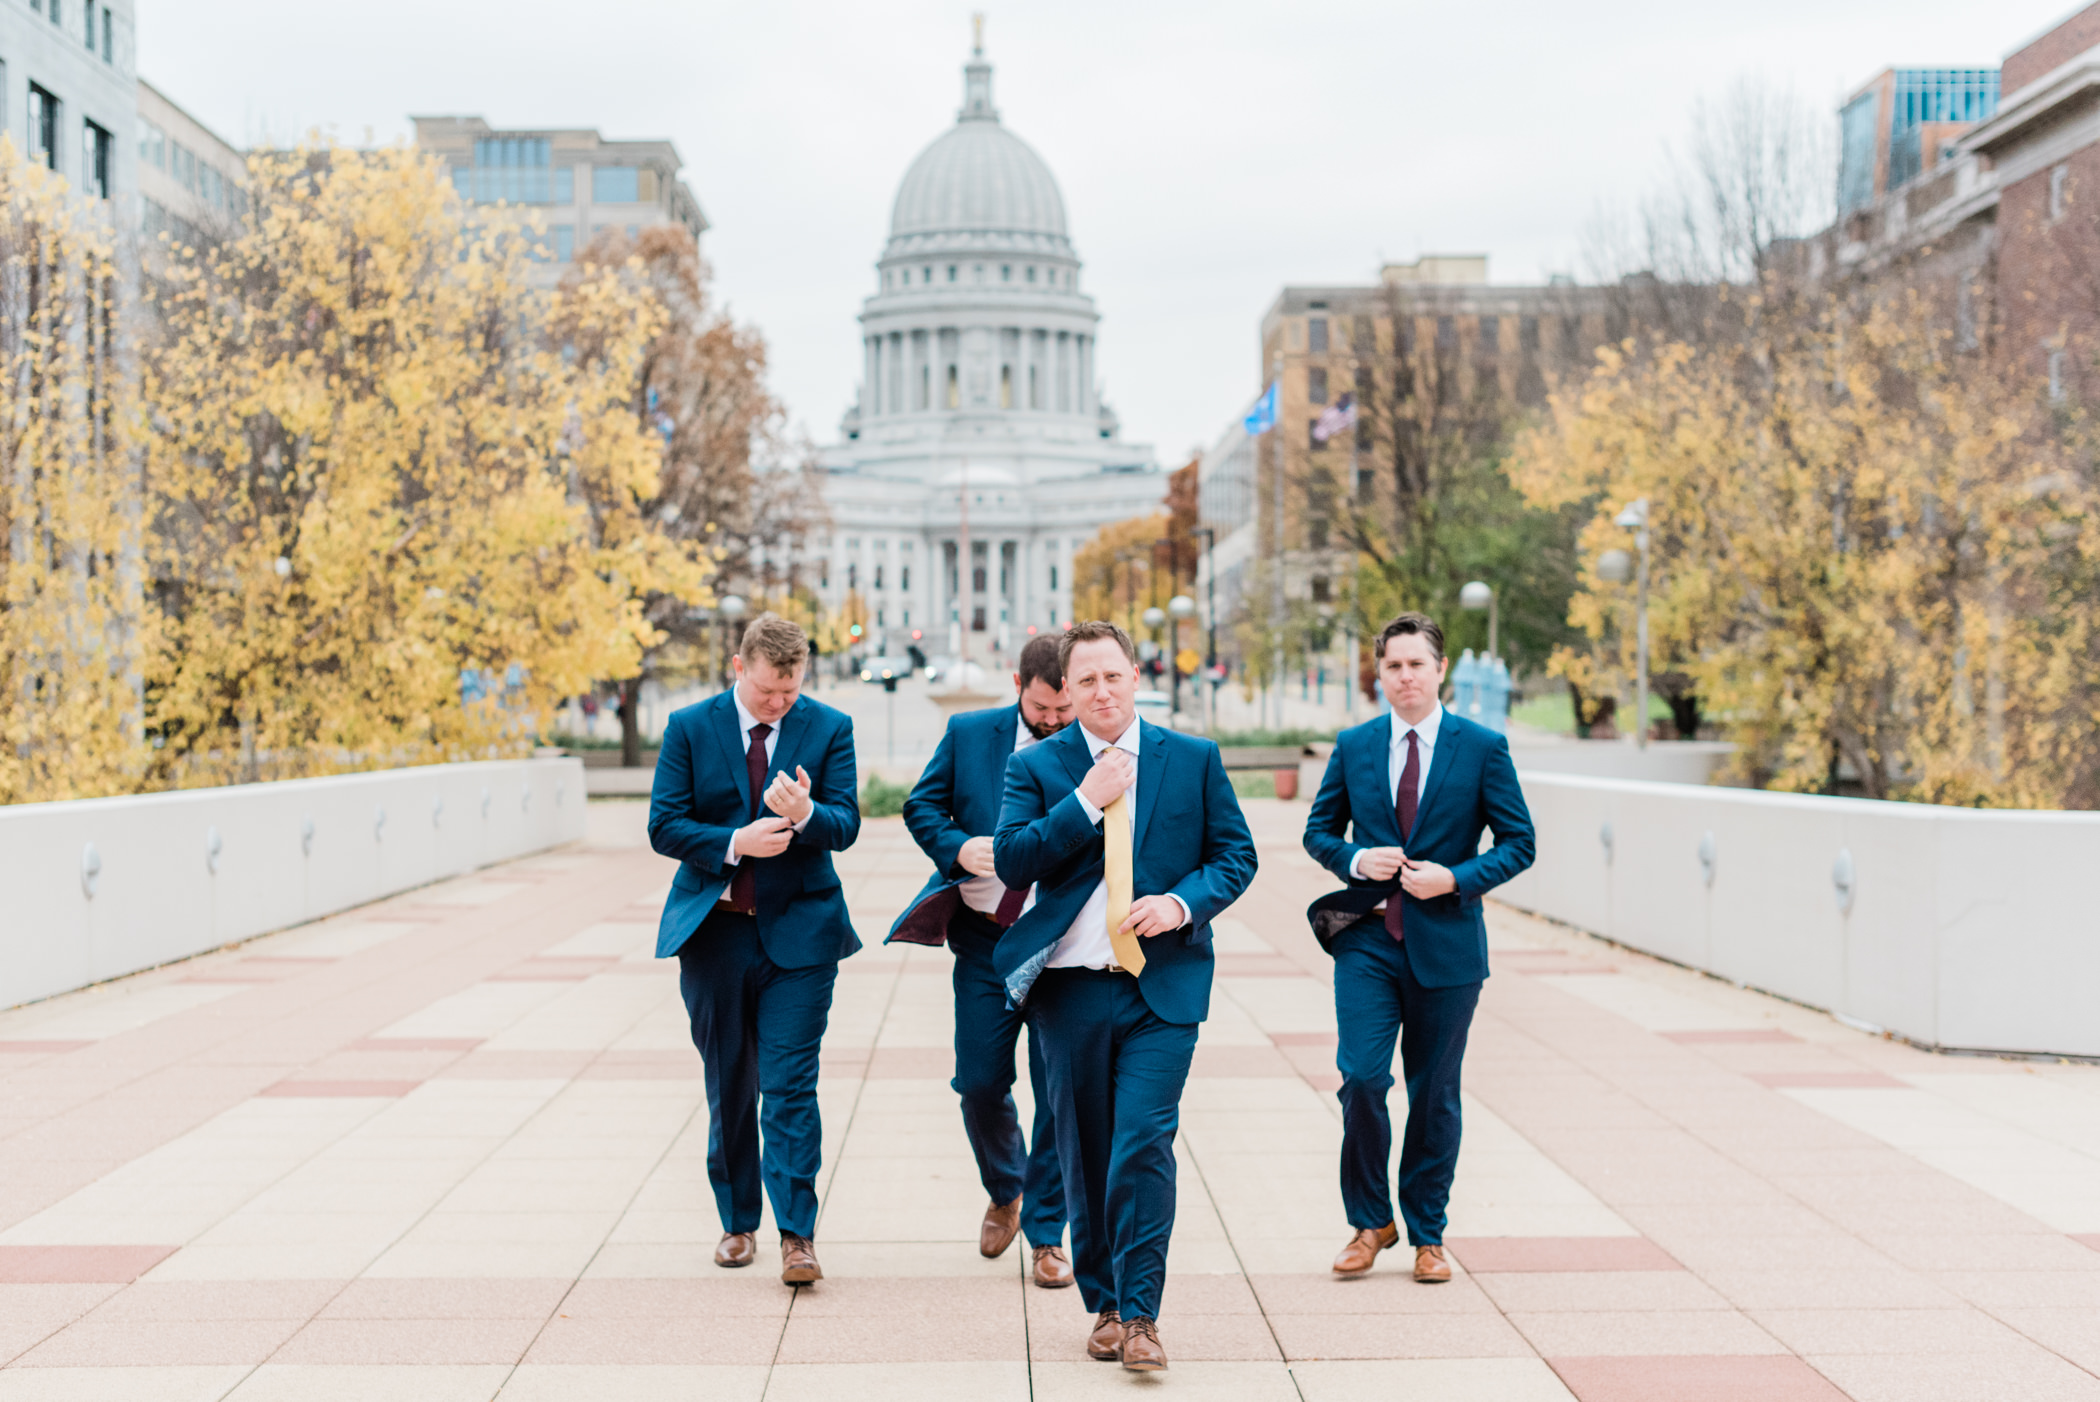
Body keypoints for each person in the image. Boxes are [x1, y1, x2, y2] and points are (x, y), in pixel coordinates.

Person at [993, 620, 1257, 1371]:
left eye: (1113, 676)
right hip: (1069, 993)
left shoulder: (1194, 759)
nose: (1101, 692)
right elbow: (1013, 860)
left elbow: (1235, 856)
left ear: (1135, 676)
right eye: (1086, 682)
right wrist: (1082, 800)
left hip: (1160, 989)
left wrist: (1181, 904)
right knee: (1086, 1150)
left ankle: (1140, 1316)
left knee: (1143, 1145)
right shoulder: (1039, 766)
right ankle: (1103, 1303)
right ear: (1066, 692)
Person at [1301, 611, 1534, 1283]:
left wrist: (1455, 878)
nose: (1404, 676)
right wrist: (1354, 858)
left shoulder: (1482, 747)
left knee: (1435, 1092)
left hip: (1448, 943)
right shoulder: (1354, 745)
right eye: (1393, 665)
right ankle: (1370, 1220)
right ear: (1380, 675)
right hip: (1368, 938)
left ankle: (1428, 1232)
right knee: (1364, 1078)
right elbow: (1320, 832)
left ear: (1440, 671)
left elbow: (1520, 843)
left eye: (1416, 664)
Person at [647, 613, 861, 1287]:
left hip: (801, 935)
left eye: (791, 691)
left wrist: (805, 814)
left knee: (791, 1086)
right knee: (730, 1082)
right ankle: (738, 1221)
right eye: (770, 691)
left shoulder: (829, 727)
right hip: (715, 933)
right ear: (740, 668)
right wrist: (735, 843)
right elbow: (664, 824)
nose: (780, 703)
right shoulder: (689, 726)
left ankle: (798, 1235)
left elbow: (847, 824)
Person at [889, 634, 1076, 1288]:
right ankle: (1007, 1189)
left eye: (1064, 707)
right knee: (978, 1082)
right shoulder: (970, 733)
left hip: (1063, 947)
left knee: (1060, 1095)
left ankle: (1049, 1233)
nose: (1054, 719)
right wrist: (959, 848)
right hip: (984, 941)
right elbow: (920, 807)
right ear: (1017, 684)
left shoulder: (1093, 747)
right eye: (1043, 706)